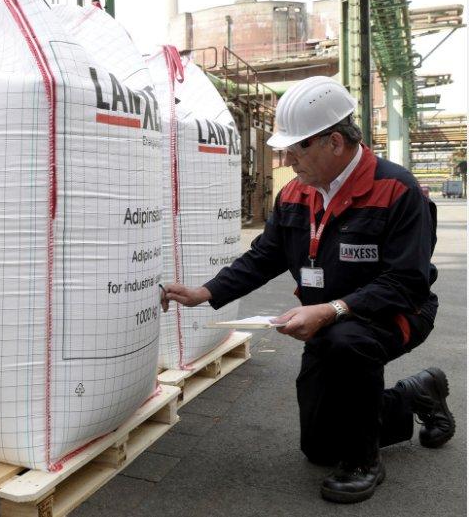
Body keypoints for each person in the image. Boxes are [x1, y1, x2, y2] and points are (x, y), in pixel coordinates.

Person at [160, 76, 454, 504]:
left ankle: (363, 462)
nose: (286, 159)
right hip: (327, 322)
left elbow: (406, 281)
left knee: (347, 342)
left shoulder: (397, 190)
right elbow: (265, 256)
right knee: (319, 447)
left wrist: (332, 310)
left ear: (334, 142)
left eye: (296, 149)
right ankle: (415, 395)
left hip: (397, 313)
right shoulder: (295, 194)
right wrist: (205, 292)